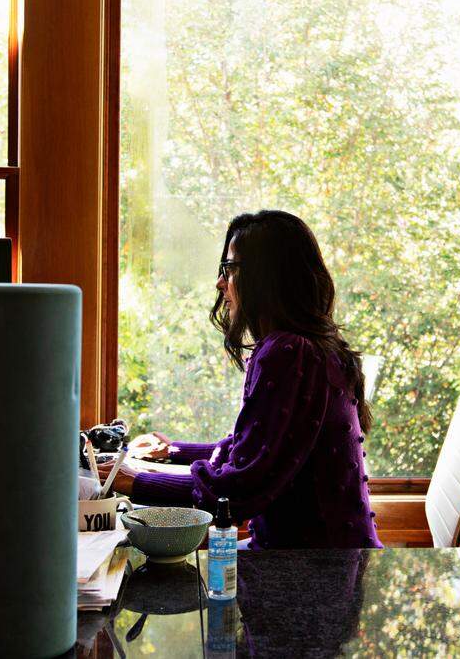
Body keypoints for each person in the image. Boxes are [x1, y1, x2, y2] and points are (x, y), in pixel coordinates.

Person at [99, 210, 382, 549]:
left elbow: (236, 491)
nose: (221, 283)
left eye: (229, 269)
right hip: (326, 564)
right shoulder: (312, 347)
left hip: (315, 572)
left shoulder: (289, 352)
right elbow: (252, 450)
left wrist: (133, 482)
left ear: (266, 278)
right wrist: (171, 451)